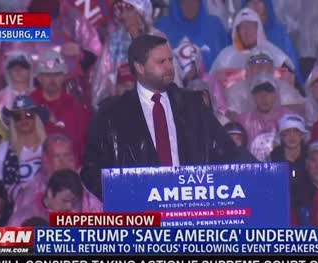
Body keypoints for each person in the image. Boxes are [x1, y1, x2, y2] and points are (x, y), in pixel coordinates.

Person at [82, 35, 251, 199]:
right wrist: (124, 196)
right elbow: (91, 170)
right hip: (141, 216)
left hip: (189, 209)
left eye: (170, 60)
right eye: (161, 62)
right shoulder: (112, 113)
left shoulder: (193, 104)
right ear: (140, 68)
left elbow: (228, 153)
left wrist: (263, 174)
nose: (169, 67)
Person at [0, 0, 102, 102]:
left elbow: (96, 57)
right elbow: (4, 69)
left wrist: (81, 53)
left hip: (68, 103)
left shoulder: (73, 19)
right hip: (25, 107)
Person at [92, 0, 184, 109]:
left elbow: (172, 80)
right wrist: (117, 91)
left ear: (141, 12)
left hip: (157, 107)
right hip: (124, 111)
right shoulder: (114, 43)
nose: (124, 15)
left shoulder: (158, 39)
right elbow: (101, 87)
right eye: (121, 10)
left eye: (129, 10)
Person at [13, 134, 102, 215]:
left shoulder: (89, 195)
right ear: (45, 160)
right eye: (57, 156)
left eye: (67, 155)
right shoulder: (28, 196)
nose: (63, 162)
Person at [31, 50, 91, 162]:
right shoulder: (29, 106)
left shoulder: (76, 106)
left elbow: (85, 145)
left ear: (64, 77)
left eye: (57, 74)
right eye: (48, 75)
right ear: (39, 78)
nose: (52, 80)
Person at [0, 96, 47, 202]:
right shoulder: (3, 150)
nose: (23, 119)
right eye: (17, 117)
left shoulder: (48, 147)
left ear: (36, 118)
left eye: (28, 115)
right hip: (13, 209)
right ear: (13, 122)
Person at [209, 8, 292, 75]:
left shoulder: (274, 54)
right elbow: (212, 83)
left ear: (258, 28)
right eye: (243, 27)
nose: (247, 31)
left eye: (250, 26)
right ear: (237, 31)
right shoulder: (226, 57)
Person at [224, 51, 303, 119]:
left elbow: (299, 111)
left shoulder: (285, 88)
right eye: (255, 64)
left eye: (265, 64)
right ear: (247, 70)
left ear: (272, 69)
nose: (261, 67)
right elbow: (230, 117)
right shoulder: (235, 91)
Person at [241, 0, 304, 85]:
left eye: (259, 1)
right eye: (251, 1)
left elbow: (292, 66)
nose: (255, 5)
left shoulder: (279, 33)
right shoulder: (238, 34)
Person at [155, 0, 228, 70]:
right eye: (184, 1)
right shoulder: (163, 27)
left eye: (195, 1)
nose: (190, 5)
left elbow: (227, 59)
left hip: (214, 81)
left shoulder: (214, 25)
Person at [237, 75, 289, 161]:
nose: (263, 97)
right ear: (253, 97)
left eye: (268, 92)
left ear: (275, 95)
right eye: (258, 93)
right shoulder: (243, 120)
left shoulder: (287, 117)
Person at [8, 169, 84, 225]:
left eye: (73, 202)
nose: (69, 206)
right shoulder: (25, 216)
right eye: (65, 200)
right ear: (50, 193)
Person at [0, 51, 34, 127]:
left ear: (30, 71)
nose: (18, 70)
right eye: (13, 67)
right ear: (8, 71)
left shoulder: (37, 95)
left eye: (23, 66)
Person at [270, 114, 309, 183]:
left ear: (302, 135)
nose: (292, 136)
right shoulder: (274, 157)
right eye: (287, 131)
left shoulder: (310, 156)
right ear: (281, 136)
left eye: (296, 131)